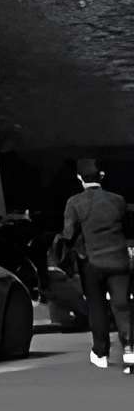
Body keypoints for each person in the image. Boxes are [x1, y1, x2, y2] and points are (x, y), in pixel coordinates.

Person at [58, 159, 132, 374]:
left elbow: (68, 234)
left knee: (96, 306)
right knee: (121, 305)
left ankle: (100, 353)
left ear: (79, 178)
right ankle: (130, 351)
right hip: (118, 260)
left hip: (91, 262)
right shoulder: (118, 201)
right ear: (101, 176)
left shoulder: (74, 203)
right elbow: (127, 230)